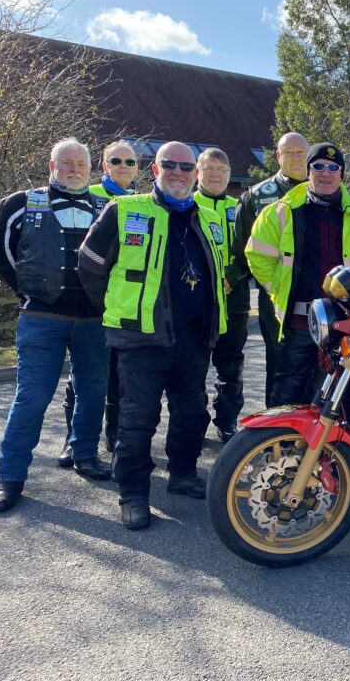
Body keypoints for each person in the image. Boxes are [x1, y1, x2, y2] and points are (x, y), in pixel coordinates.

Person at [78, 141, 227, 530]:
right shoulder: (125, 209)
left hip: (195, 337)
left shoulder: (209, 215)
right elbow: (90, 264)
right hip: (141, 338)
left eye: (186, 166)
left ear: (195, 172)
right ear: (155, 169)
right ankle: (133, 494)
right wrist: (116, 308)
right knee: (137, 419)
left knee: (191, 411)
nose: (178, 172)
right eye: (170, 165)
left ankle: (182, 474)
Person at [0, 138, 112, 514]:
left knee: (92, 392)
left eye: (81, 164)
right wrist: (29, 291)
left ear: (92, 171)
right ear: (52, 166)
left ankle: (85, 454)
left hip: (94, 319)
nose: (74, 169)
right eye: (67, 163)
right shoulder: (18, 204)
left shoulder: (106, 206)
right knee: (33, 396)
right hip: (42, 317)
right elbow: (3, 253)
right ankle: (9, 478)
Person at [246, 142, 350, 407]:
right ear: (308, 170)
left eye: (333, 167)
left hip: (344, 322)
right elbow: (256, 255)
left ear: (341, 173)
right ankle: (281, 445)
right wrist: (279, 288)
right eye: (318, 166)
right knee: (288, 392)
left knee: (339, 395)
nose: (326, 173)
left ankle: (334, 448)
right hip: (299, 322)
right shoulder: (280, 211)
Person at [58, 140, 139, 468]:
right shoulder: (89, 197)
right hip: (90, 303)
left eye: (130, 162)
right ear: (103, 165)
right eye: (116, 160)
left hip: (125, 306)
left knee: (120, 376)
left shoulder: (141, 202)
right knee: (82, 376)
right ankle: (71, 440)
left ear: (137, 168)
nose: (123, 166)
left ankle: (115, 435)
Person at [229, 131, 309, 406]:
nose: (296, 157)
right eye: (289, 152)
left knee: (318, 365)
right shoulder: (257, 196)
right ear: (277, 155)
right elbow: (242, 249)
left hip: (317, 295)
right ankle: (275, 432)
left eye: (301, 152)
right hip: (275, 295)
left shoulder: (325, 189)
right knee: (279, 362)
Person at [193, 148, 249, 443]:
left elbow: (252, 251)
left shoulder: (241, 207)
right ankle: (196, 420)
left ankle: (227, 421)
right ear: (198, 172)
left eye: (222, 170)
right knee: (195, 367)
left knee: (231, 367)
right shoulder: (187, 205)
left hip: (235, 301)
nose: (216, 175)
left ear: (229, 174)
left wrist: (232, 276)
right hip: (200, 302)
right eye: (210, 169)